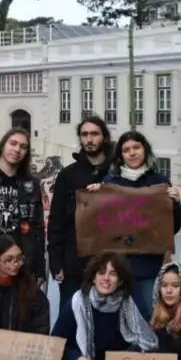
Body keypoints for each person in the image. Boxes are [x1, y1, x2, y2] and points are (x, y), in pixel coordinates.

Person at [83, 131, 181, 319]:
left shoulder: (159, 182)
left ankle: (147, 349)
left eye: (136, 147)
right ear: (120, 155)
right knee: (115, 316)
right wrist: (94, 197)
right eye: (126, 150)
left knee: (148, 315)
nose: (132, 153)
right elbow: (98, 224)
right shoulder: (110, 183)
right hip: (117, 266)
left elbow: (173, 227)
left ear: (145, 150)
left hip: (148, 265)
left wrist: (175, 203)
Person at [52, 252, 158, 360]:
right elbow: (55, 342)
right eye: (101, 273)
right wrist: (75, 358)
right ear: (93, 278)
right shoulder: (76, 303)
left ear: (120, 281)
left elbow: (144, 342)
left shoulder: (127, 305)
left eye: (113, 274)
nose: (106, 278)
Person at [47, 116, 112, 311]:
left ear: (105, 137)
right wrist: (55, 259)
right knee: (70, 317)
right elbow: (56, 219)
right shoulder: (67, 175)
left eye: (94, 134)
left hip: (109, 264)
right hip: (73, 263)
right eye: (84, 134)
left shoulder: (116, 173)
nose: (89, 139)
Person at [0, 128, 46, 285]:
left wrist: (39, 267)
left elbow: (37, 227)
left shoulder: (31, 185)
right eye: (13, 143)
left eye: (23, 147)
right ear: (3, 145)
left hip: (20, 265)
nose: (17, 149)